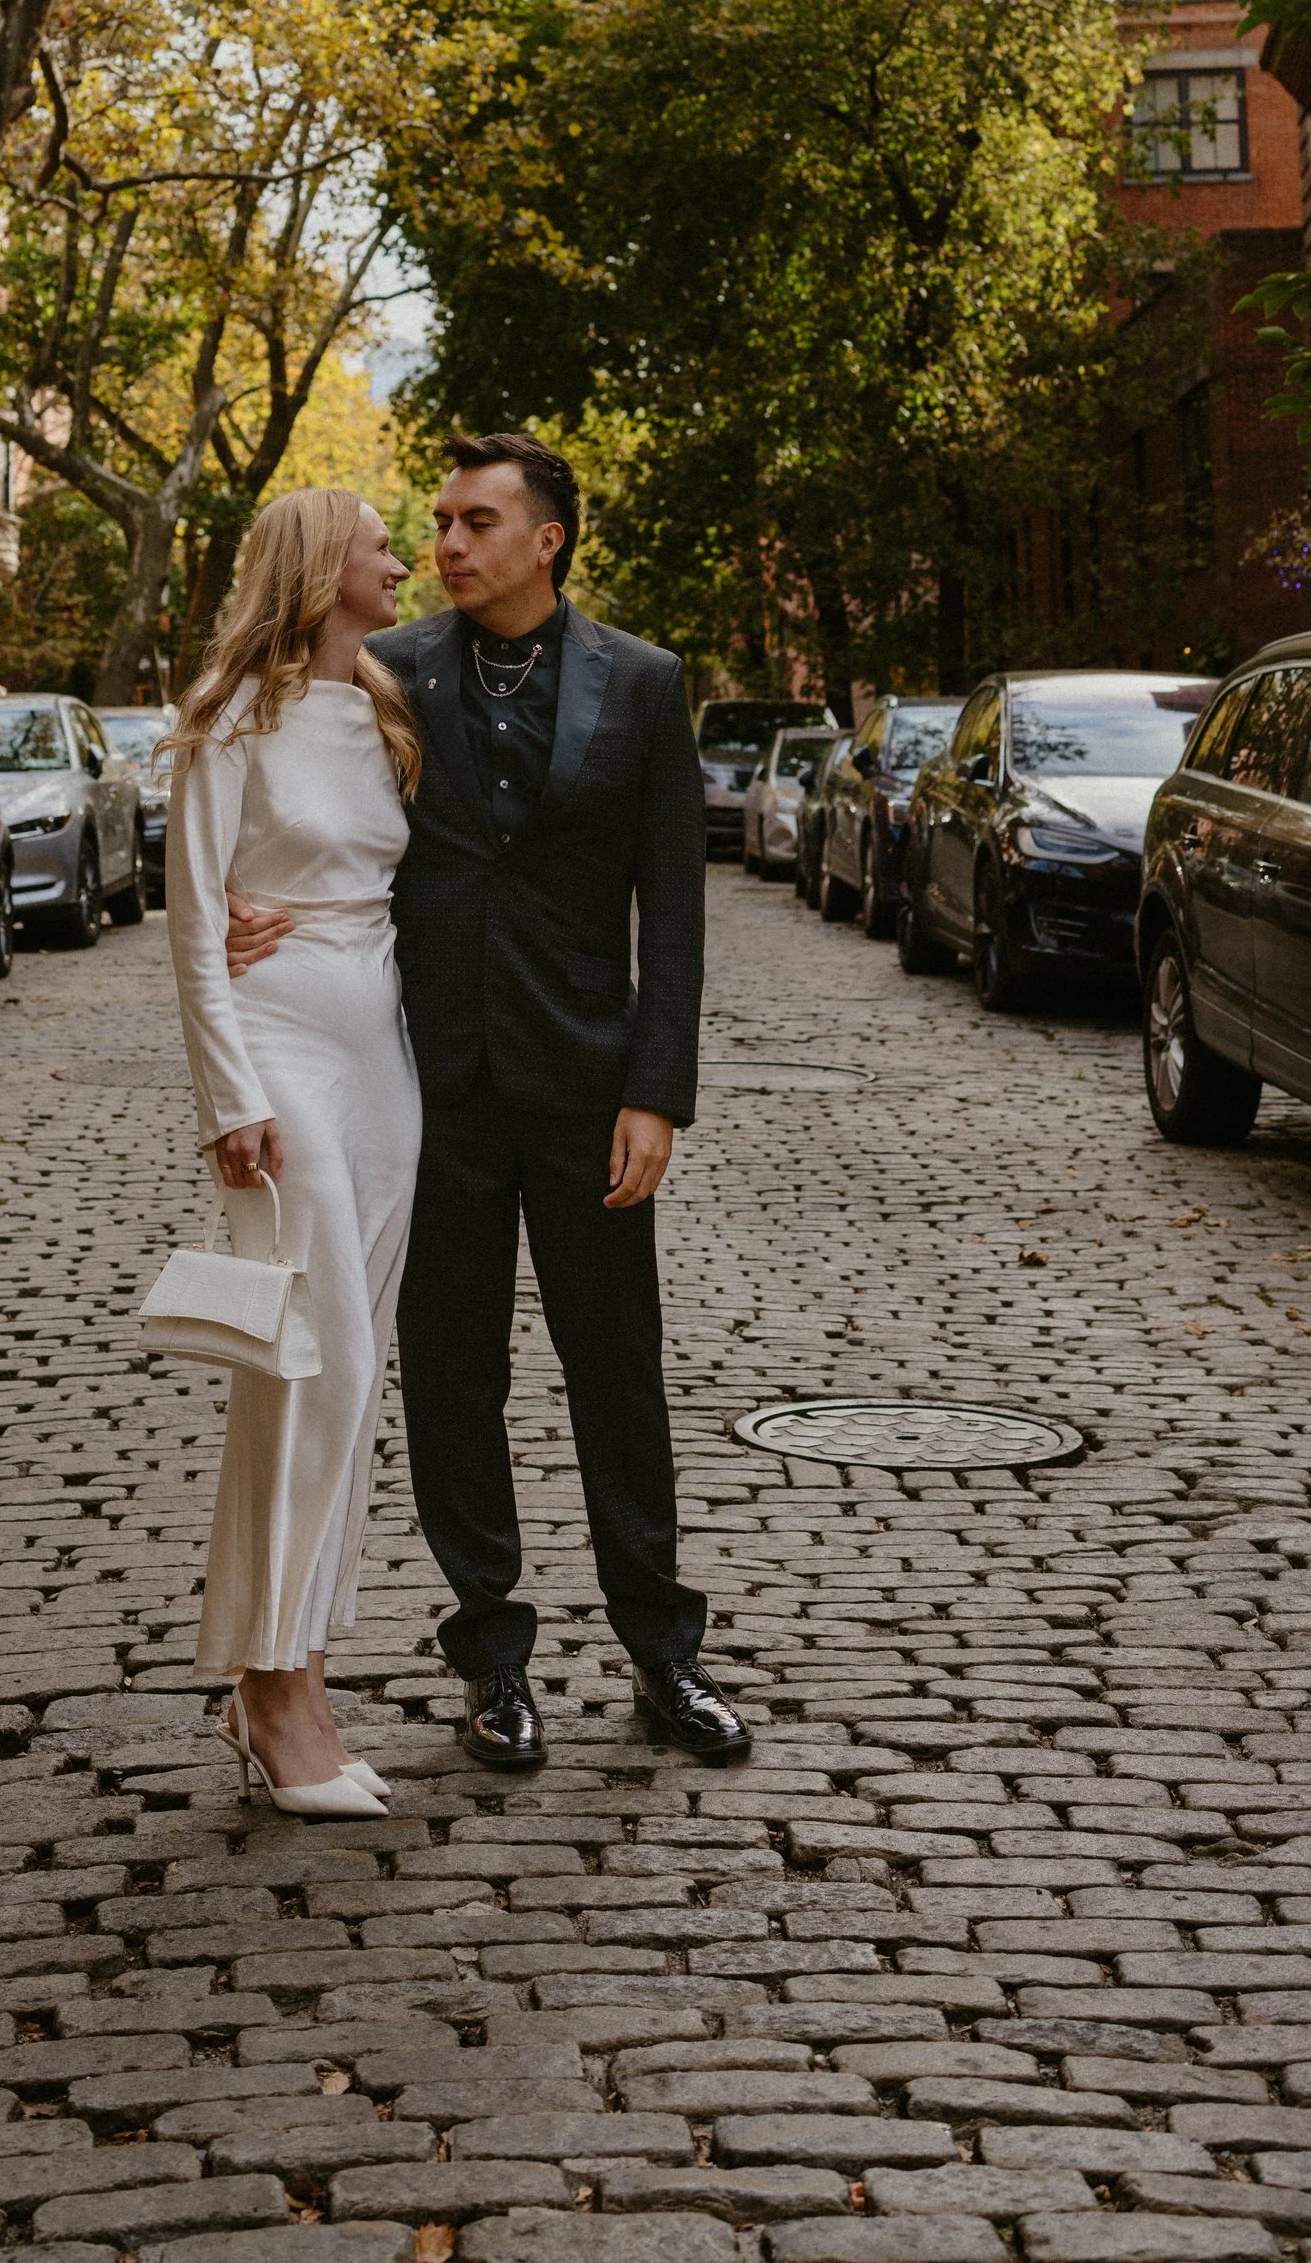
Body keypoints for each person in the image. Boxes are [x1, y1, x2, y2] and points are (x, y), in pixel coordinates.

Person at [229, 431, 747, 1772]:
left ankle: (662, 1652)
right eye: (439, 521)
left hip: (587, 1087)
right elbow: (267, 752)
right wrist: (245, 906)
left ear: (547, 538)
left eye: (475, 520)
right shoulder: (386, 668)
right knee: (454, 1381)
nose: (446, 541)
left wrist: (658, 1089)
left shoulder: (642, 682)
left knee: (617, 1373)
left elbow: (673, 911)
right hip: (430, 1082)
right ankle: (494, 1660)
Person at [165, 480, 419, 1816]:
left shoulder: (389, 701)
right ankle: (271, 1689)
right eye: (384, 543)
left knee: (348, 1372)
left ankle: (297, 1662)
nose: (404, 559)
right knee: (323, 1362)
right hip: (281, 1058)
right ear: (327, 567)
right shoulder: (228, 716)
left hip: (389, 1062)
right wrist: (228, 1096)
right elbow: (197, 922)